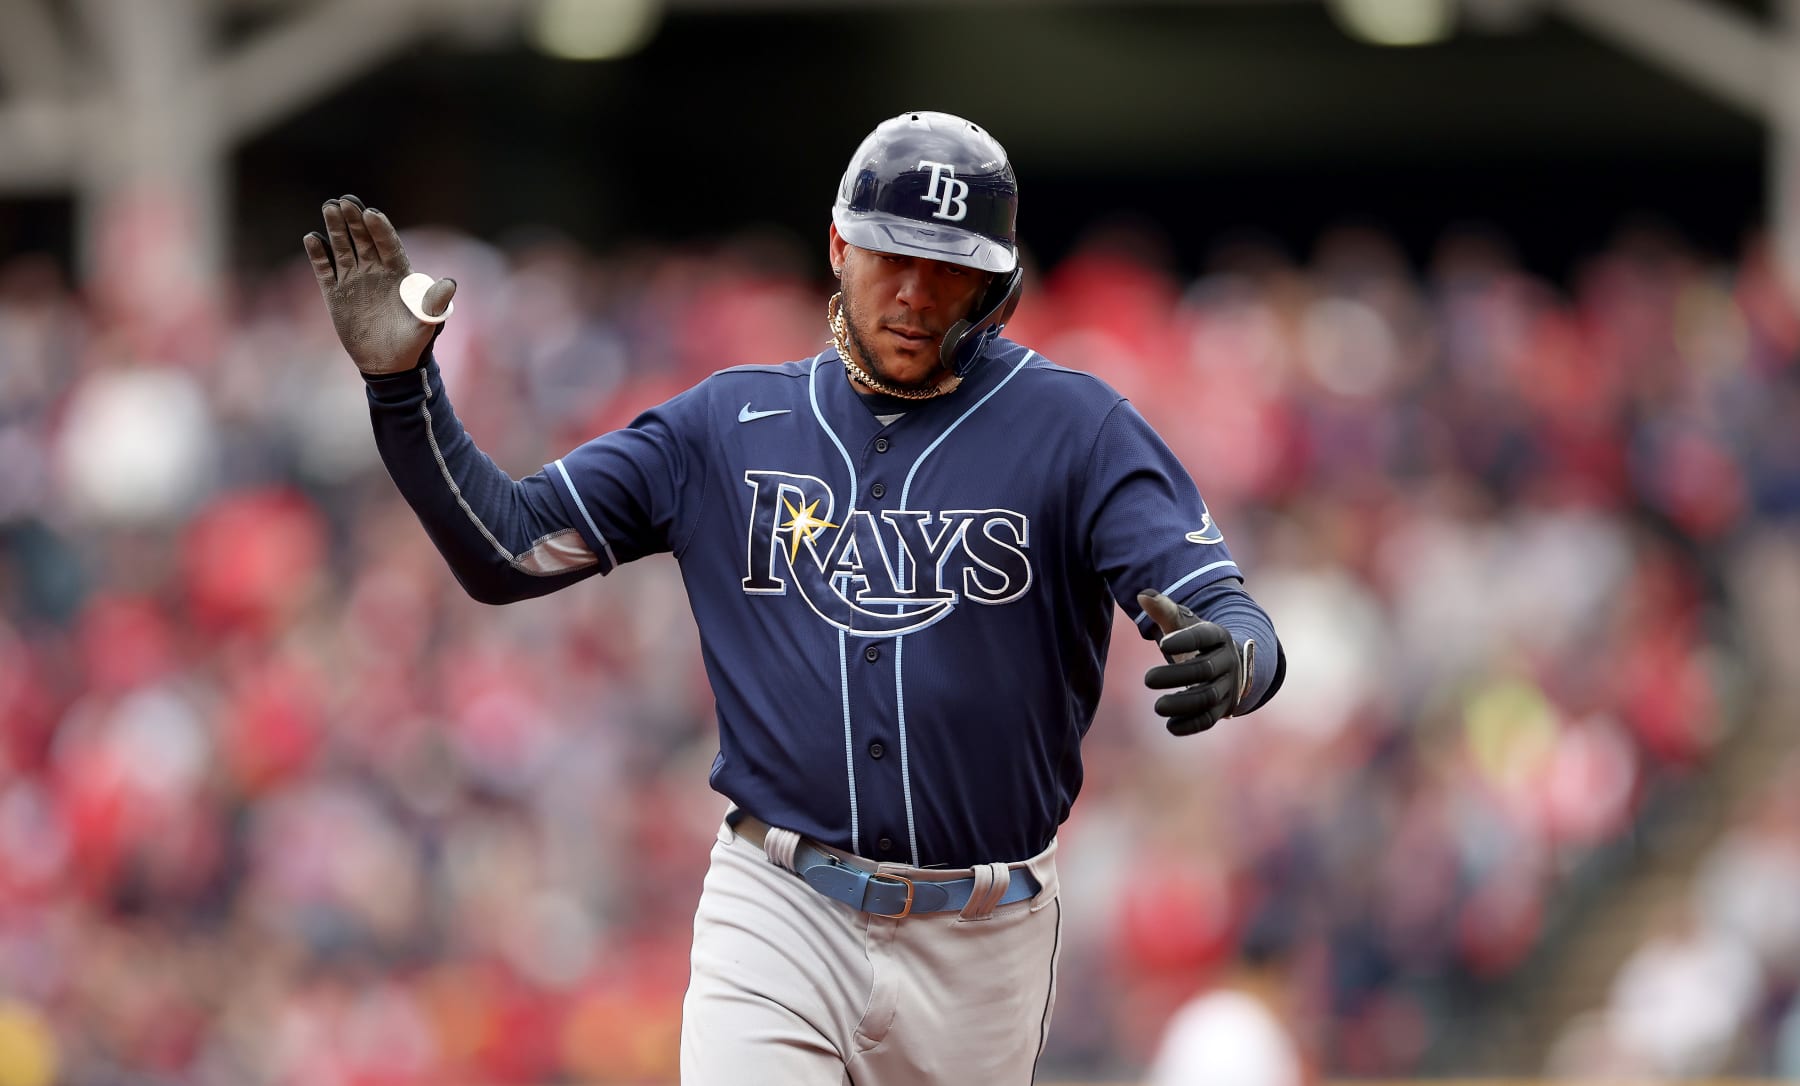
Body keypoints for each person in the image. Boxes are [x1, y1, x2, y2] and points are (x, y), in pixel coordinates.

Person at [303, 109, 1285, 1085]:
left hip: (985, 941)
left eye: (948, 267)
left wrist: (1241, 658)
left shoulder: (1077, 428)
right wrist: (403, 391)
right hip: (780, 905)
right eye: (889, 256)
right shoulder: (727, 426)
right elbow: (509, 551)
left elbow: (1222, 604)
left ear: (998, 282)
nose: (913, 292)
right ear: (837, 247)